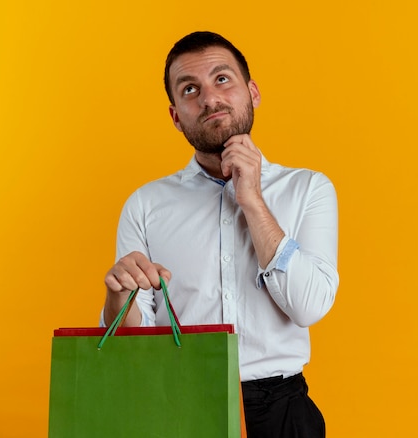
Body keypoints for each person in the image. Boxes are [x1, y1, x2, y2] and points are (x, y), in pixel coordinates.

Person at [101, 31, 339, 438]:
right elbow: (132, 347)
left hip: (283, 413)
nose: (209, 99)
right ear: (176, 116)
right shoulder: (145, 205)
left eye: (222, 79)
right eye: (190, 89)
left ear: (253, 93)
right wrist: (118, 297)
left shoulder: (308, 189)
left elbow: (308, 306)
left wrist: (252, 200)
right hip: (180, 403)